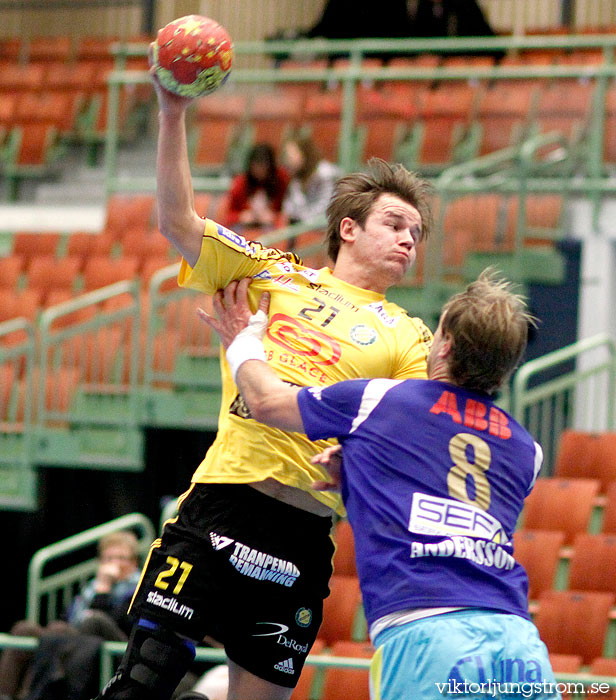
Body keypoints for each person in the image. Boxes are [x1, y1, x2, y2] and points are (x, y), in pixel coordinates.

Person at [94, 46, 433, 700]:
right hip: (225, 498)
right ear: (348, 229)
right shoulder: (273, 275)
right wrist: (172, 114)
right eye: (395, 224)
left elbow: (406, 429)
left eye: (416, 233)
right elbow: (176, 221)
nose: (408, 241)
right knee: (139, 683)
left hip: (303, 533)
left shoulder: (406, 333)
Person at [197, 269, 560, 700]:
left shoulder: (383, 399)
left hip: (427, 634)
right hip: (518, 641)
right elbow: (450, 482)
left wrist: (244, 340)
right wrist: (363, 471)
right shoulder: (528, 451)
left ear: (444, 346)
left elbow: (265, 402)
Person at [0, 531, 141, 700]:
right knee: (25, 629)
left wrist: (104, 590)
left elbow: (114, 622)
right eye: (108, 558)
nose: (114, 564)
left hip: (113, 653)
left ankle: (35, 693)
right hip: (77, 644)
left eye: (121, 557)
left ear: (134, 562)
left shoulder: (139, 589)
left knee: (92, 620)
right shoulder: (90, 588)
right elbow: (67, 617)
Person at [222, 143, 289, 231]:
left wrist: (273, 217)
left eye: (263, 167)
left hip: (270, 228)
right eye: (256, 167)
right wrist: (241, 217)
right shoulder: (241, 182)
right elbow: (228, 216)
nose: (259, 171)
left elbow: (287, 214)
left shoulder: (281, 179)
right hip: (244, 228)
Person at [282, 133, 341, 225]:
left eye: (291, 155)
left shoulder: (326, 175)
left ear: (305, 153)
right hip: (301, 229)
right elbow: (289, 209)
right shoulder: (296, 179)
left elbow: (325, 212)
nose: (288, 160)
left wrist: (298, 218)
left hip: (323, 231)